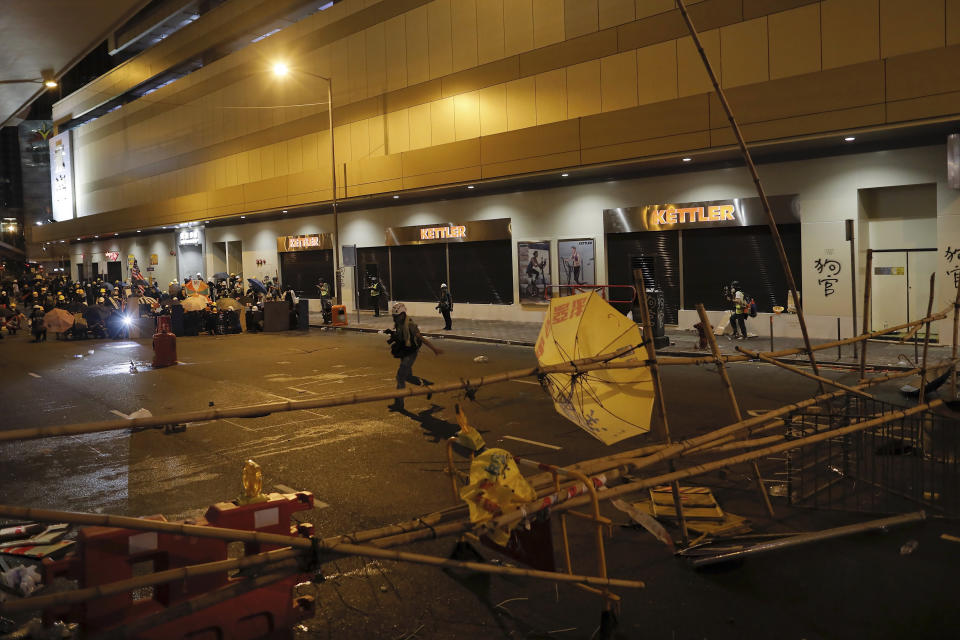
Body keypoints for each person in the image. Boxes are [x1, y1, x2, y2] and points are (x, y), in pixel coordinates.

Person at [385, 302, 442, 411]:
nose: (394, 318)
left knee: (400, 377)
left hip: (410, 354)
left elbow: (420, 338)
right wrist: (392, 334)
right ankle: (428, 386)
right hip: (405, 352)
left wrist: (434, 349)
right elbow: (401, 336)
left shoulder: (410, 325)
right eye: (394, 316)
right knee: (408, 377)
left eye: (396, 316)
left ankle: (399, 404)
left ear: (402, 314)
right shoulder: (399, 323)